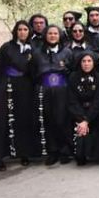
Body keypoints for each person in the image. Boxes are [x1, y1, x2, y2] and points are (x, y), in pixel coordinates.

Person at [0, 21, 36, 171]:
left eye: (25, 29)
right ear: (15, 31)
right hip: (6, 85)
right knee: (0, 120)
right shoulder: (7, 47)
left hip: (25, 87)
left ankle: (23, 153)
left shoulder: (32, 49)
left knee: (23, 119)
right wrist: (0, 85)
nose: (22, 32)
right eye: (19, 29)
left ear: (29, 32)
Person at [33, 25, 74, 165]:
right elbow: (33, 72)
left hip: (62, 90)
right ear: (45, 35)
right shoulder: (37, 53)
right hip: (44, 90)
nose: (52, 36)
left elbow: (72, 71)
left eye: (55, 33)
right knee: (48, 119)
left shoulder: (67, 52)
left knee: (62, 120)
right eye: (50, 33)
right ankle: (53, 151)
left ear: (60, 35)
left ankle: (65, 151)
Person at [67, 53, 99, 166]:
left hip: (94, 115)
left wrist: (87, 120)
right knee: (80, 159)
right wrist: (81, 119)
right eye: (84, 61)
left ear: (93, 63)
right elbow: (72, 101)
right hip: (78, 115)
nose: (86, 64)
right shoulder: (73, 77)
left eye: (89, 61)